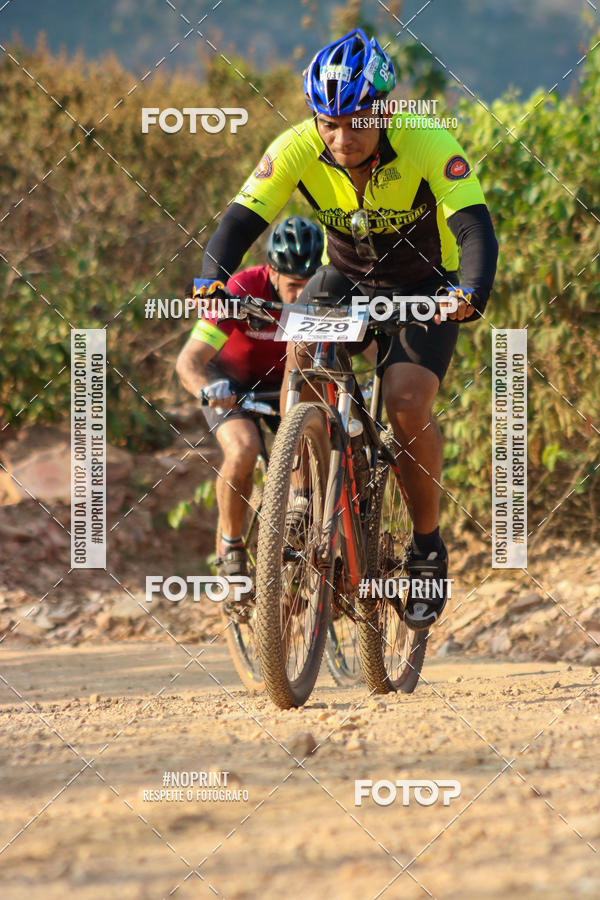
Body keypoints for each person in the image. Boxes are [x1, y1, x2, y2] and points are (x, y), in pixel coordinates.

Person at [188, 28, 498, 630]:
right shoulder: (297, 146)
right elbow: (240, 220)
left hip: (424, 286)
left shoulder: (426, 139)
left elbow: (473, 227)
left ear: (384, 111)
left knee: (406, 401)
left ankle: (427, 548)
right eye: (328, 123)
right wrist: (211, 278)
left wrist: (470, 293)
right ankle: (302, 492)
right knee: (301, 356)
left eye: (356, 122)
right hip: (346, 281)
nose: (341, 137)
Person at [176, 215, 324, 576]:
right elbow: (189, 361)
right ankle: (231, 545)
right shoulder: (242, 287)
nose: (300, 295)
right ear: (272, 272)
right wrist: (207, 389)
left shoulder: (325, 291)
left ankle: (299, 519)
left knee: (314, 439)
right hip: (230, 385)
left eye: (308, 285)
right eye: (293, 285)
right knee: (243, 449)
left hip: (287, 383)